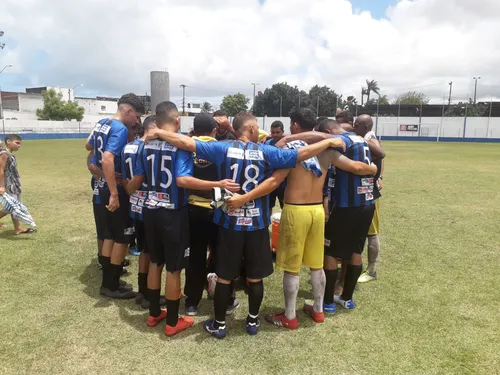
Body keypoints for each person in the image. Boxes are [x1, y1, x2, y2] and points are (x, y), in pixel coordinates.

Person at [144, 111, 346, 339]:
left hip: (229, 221)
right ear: (250, 128)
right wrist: (328, 141)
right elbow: (301, 154)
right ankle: (252, 321)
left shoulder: (223, 148)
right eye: (256, 125)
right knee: (255, 276)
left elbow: (187, 143)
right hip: (257, 223)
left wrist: (158, 131)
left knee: (224, 276)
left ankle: (219, 324)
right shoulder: (266, 151)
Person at [227, 109, 376, 329]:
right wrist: (372, 169)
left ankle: (289, 315)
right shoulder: (327, 150)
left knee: (292, 268)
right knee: (316, 266)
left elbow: (273, 167)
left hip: (296, 211)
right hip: (317, 211)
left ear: (295, 126)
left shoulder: (288, 149)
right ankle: (318, 311)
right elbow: (355, 167)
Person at [126, 101, 194, 336]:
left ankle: (154, 313)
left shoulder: (144, 145)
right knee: (174, 269)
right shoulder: (182, 145)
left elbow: (137, 178)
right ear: (177, 121)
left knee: (155, 261)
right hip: (173, 213)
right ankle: (173, 321)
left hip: (150, 209)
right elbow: (182, 179)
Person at [179, 114, 240, 316]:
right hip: (219, 209)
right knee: (222, 255)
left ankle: (192, 302)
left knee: (195, 256)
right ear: (215, 130)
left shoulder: (187, 146)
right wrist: (230, 127)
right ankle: (227, 298)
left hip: (194, 210)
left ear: (194, 129)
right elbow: (251, 141)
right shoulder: (224, 147)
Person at [85, 93, 144, 299]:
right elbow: (108, 158)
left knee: (109, 234)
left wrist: (99, 170)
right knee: (122, 237)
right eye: (136, 115)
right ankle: (110, 285)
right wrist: (114, 192)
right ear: (127, 110)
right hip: (113, 188)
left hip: (100, 186)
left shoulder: (102, 123)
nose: (136, 121)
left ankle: (110, 281)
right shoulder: (119, 128)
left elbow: (88, 145)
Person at [120, 115, 165, 308]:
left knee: (143, 249)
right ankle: (147, 294)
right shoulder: (148, 148)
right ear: (153, 127)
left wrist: (129, 190)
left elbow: (123, 176)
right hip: (149, 205)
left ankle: (142, 291)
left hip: (135, 205)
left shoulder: (128, 147)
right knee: (151, 252)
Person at [353, 115, 385, 283]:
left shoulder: (370, 140)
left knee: (371, 233)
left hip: (370, 193)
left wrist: (378, 177)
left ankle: (372, 270)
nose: (353, 126)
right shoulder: (366, 138)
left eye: (356, 124)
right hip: (363, 191)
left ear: (365, 126)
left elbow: (380, 156)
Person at [0, 134, 36, 235]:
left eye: (20, 144)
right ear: (8, 142)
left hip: (14, 185)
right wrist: (2, 186)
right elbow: (0, 170)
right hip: (8, 186)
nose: (19, 145)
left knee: (15, 208)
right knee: (10, 207)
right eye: (17, 143)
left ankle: (18, 228)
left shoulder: (9, 154)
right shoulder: (4, 154)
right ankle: (18, 228)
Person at [265, 121, 286, 210]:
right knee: (268, 207)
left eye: (278, 132)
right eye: (273, 132)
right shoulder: (267, 144)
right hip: (270, 181)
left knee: (285, 207)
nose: (275, 135)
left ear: (283, 132)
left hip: (284, 183)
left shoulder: (287, 144)